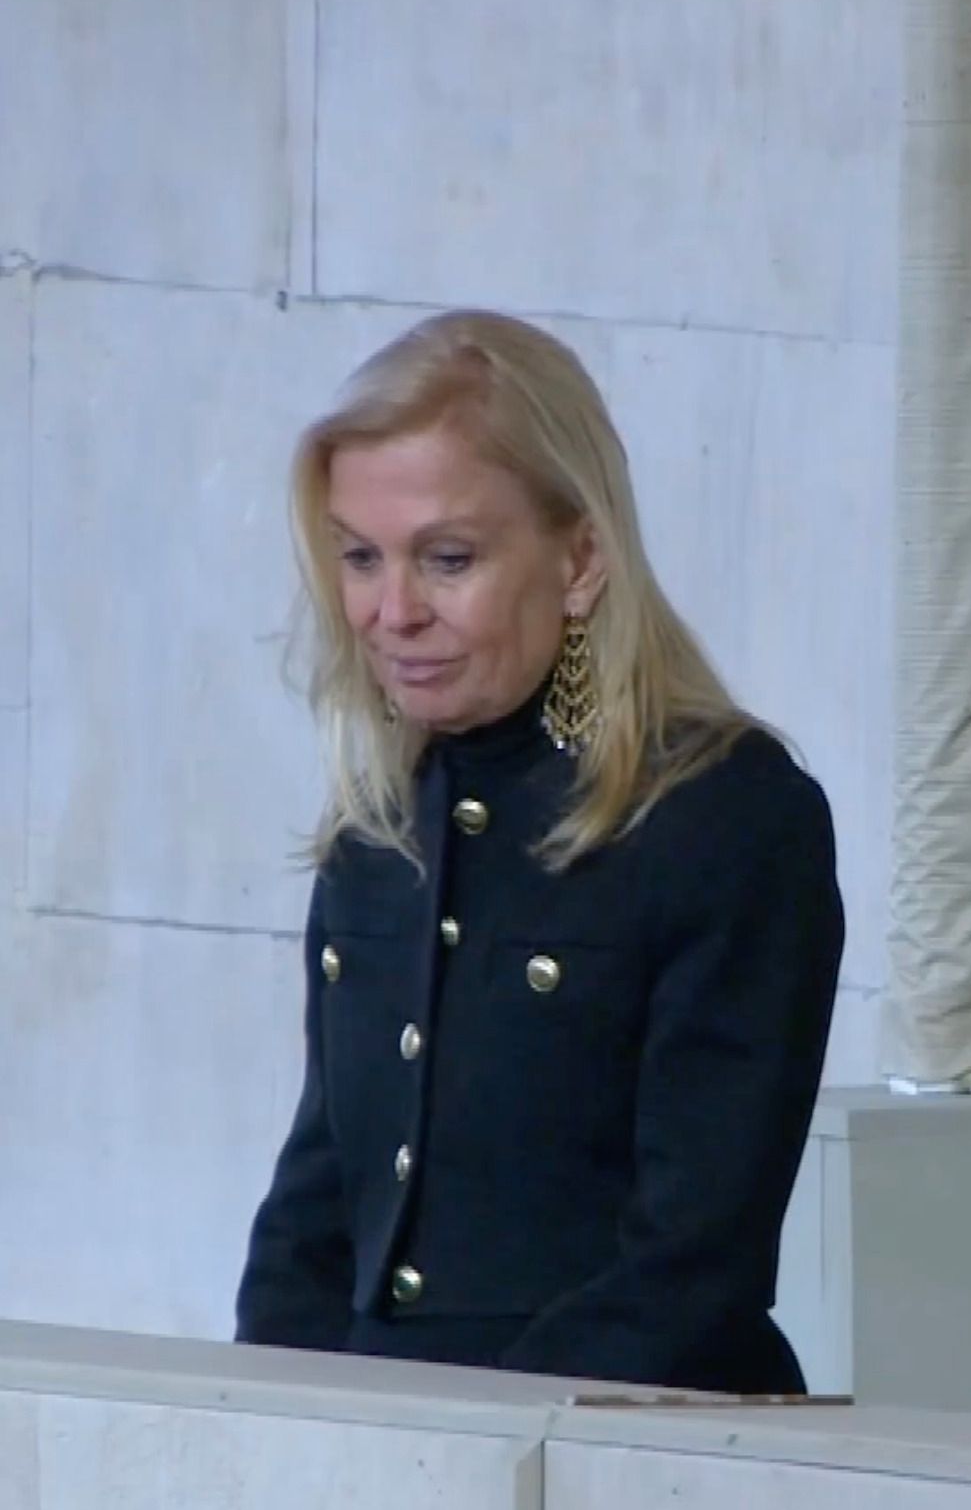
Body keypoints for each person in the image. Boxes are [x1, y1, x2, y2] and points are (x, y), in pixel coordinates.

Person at [233, 309, 845, 1395]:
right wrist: (270, 1433)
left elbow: (694, 1261)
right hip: (382, 1446)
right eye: (360, 557)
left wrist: (472, 1452)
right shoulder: (383, 818)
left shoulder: (727, 815)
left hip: (627, 1448)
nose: (392, 611)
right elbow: (316, 1213)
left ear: (580, 558)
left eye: (448, 558)